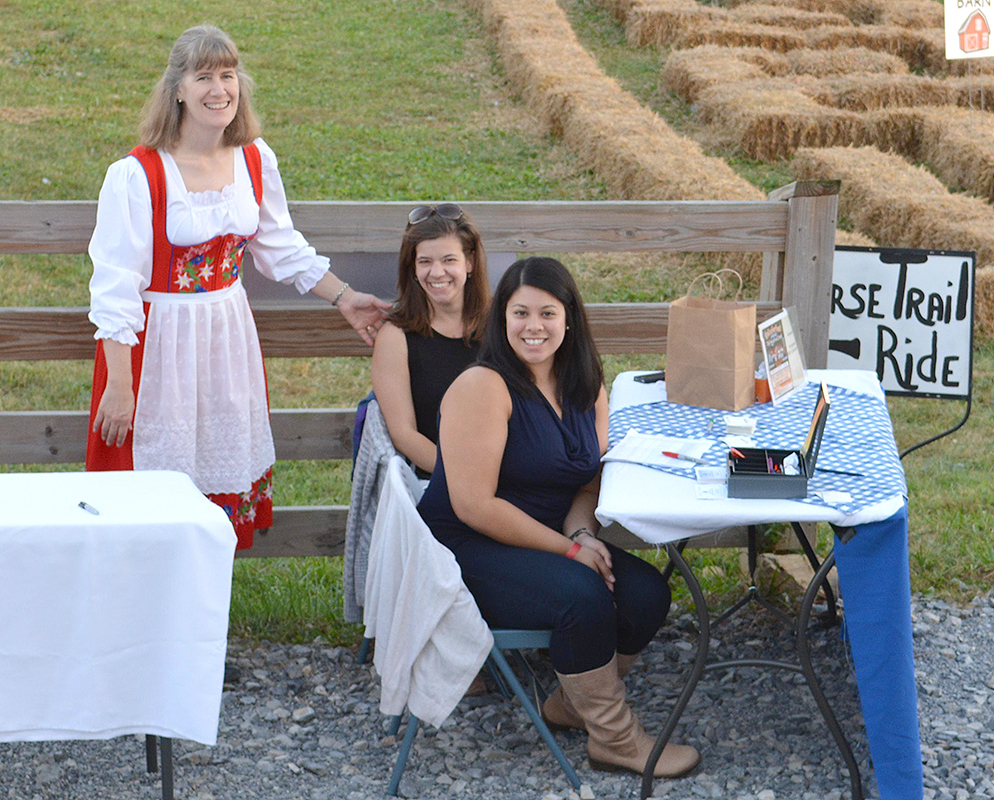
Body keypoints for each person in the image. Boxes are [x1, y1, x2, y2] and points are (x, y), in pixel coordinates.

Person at [85, 24, 390, 550]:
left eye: (227, 75)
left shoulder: (253, 159)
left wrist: (344, 296)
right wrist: (118, 384)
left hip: (226, 341)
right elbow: (115, 289)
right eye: (203, 76)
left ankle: (202, 611)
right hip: (156, 349)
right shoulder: (138, 175)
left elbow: (278, 246)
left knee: (216, 474)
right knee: (150, 485)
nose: (218, 89)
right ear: (177, 88)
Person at [417, 257, 701, 778]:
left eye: (547, 313)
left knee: (645, 593)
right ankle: (615, 738)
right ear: (502, 318)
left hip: (547, 534)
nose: (533, 327)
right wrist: (569, 551)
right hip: (464, 546)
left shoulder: (585, 385)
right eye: (520, 312)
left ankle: (571, 705)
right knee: (584, 596)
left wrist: (581, 533)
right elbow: (473, 505)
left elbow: (587, 481)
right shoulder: (482, 387)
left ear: (569, 318)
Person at [370, 203, 490, 478]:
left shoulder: (502, 324)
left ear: (469, 262)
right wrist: (466, 477)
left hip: (510, 475)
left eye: (449, 260)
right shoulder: (396, 336)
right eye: (425, 261)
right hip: (438, 479)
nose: (437, 273)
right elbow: (404, 434)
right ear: (412, 267)